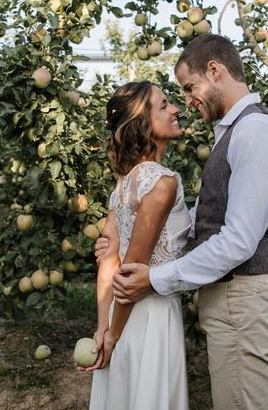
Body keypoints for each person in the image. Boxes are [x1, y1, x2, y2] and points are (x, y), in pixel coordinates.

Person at [96, 34, 268, 409]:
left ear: (215, 71)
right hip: (227, 297)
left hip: (245, 292)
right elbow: (203, 226)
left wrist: (155, 278)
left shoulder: (254, 131)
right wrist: (119, 240)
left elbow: (237, 241)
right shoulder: (231, 136)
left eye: (189, 88)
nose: (186, 102)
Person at [82, 81, 191, 410]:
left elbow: (109, 263)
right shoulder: (162, 182)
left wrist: (104, 328)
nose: (175, 110)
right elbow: (130, 272)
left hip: (120, 315)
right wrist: (111, 335)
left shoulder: (122, 186)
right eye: (164, 105)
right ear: (143, 125)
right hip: (151, 318)